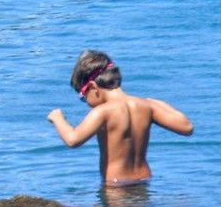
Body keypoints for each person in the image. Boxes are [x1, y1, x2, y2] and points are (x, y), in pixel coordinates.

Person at [47, 49, 193, 186]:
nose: (86, 103)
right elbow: (187, 127)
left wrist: (58, 118)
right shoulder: (148, 106)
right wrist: (153, 102)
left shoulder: (103, 111)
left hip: (116, 186)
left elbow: (73, 140)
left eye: (83, 97)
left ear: (93, 87)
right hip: (144, 180)